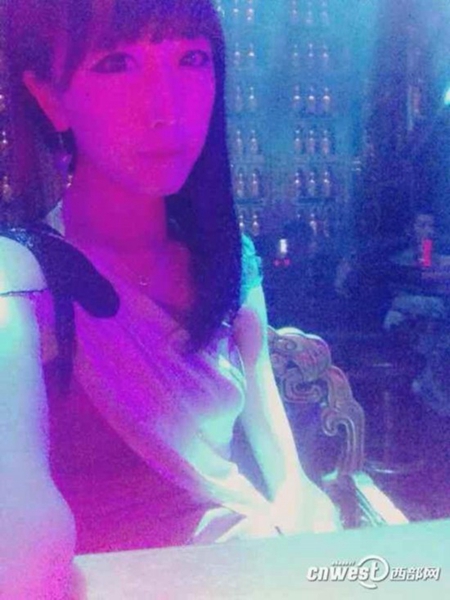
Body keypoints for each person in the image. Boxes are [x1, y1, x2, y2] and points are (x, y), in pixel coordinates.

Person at [0, 0, 339, 597]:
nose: (166, 108)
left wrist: (309, 542)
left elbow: (286, 472)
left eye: (192, 60)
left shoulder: (228, 262)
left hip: (251, 566)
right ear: (50, 98)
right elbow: (24, 535)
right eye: (116, 64)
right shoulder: (22, 278)